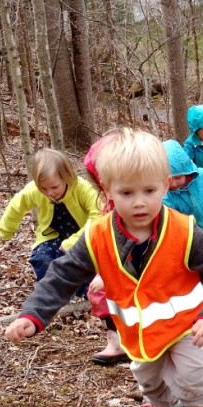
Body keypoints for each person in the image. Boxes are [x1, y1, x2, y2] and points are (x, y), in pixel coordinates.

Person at [4, 128, 203, 407]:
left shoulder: (183, 229)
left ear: (166, 184)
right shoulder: (98, 235)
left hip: (187, 328)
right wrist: (33, 314)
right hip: (138, 333)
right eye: (127, 192)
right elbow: (62, 274)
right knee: (149, 378)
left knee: (192, 376)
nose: (140, 201)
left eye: (149, 190)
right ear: (107, 191)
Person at [0, 148, 101, 286]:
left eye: (54, 187)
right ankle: (51, 291)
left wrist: (74, 242)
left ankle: (85, 291)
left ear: (67, 177)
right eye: (43, 189)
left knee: (81, 264)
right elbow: (16, 206)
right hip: (51, 236)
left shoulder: (82, 188)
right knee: (41, 259)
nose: (49, 193)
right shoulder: (34, 190)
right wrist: (5, 231)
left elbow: (98, 215)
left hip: (81, 237)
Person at [81, 130, 130, 366]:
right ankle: (116, 341)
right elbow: (106, 237)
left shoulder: (135, 203)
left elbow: (134, 240)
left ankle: (131, 339)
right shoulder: (109, 204)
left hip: (135, 265)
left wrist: (110, 272)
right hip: (113, 262)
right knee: (99, 292)